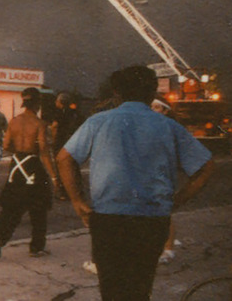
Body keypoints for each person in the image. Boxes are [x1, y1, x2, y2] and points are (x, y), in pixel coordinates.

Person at [57, 66, 215, 300]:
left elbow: (64, 157)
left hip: (108, 219)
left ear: (116, 93)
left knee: (112, 289)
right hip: (152, 220)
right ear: (152, 93)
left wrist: (77, 200)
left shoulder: (98, 122)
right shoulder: (168, 126)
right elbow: (205, 166)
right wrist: (178, 200)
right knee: (140, 288)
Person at [0, 87, 58, 259]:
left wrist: (19, 152)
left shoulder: (14, 121)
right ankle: (36, 247)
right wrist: (54, 176)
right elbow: (43, 151)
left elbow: (6, 146)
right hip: (33, 165)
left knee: (11, 207)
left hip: (17, 166)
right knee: (39, 208)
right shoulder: (39, 124)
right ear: (37, 104)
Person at [150, 97, 180, 265]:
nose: (153, 110)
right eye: (152, 107)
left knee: (164, 212)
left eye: (157, 107)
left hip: (162, 173)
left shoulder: (170, 127)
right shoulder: (153, 126)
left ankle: (168, 249)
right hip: (152, 172)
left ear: (166, 110)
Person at [50, 93, 84, 200]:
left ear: (60, 103)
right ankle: (78, 191)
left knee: (60, 166)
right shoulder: (75, 113)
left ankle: (62, 192)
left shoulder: (59, 113)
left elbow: (55, 126)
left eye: (57, 101)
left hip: (61, 142)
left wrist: (53, 139)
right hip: (73, 142)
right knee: (74, 166)